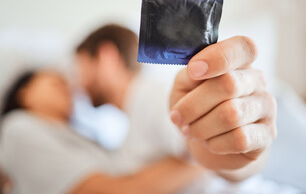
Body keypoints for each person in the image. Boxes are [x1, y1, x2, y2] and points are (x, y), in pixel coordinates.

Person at [75, 24, 277, 183]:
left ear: (106, 56)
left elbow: (207, 152)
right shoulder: (133, 111)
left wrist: (244, 154)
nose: (78, 83)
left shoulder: (150, 97)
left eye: (81, 67)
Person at [0, 70, 202, 194]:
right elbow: (117, 190)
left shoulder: (82, 137)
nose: (68, 88)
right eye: (56, 83)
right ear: (24, 94)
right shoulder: (18, 128)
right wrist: (204, 159)